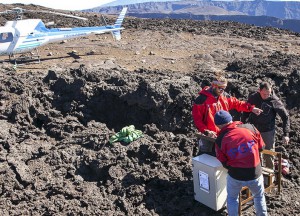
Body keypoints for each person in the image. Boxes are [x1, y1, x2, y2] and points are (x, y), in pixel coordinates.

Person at [192, 74, 262, 154]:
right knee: (205, 158)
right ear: (213, 85)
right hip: (208, 136)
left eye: (224, 88)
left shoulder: (224, 96)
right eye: (220, 88)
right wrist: (206, 131)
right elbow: (197, 120)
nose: (222, 90)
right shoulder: (201, 99)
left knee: (221, 159)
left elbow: (237, 103)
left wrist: (251, 108)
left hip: (223, 135)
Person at [214, 110, 267, 216]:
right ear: (231, 119)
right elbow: (262, 147)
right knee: (259, 196)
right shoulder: (251, 128)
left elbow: (223, 162)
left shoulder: (220, 140)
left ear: (218, 126)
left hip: (235, 175)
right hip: (254, 173)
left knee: (232, 198)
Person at [242, 81, 290, 169]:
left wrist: (286, 134)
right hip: (254, 130)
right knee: (255, 153)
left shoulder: (274, 100)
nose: (267, 96)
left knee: (269, 154)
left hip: (268, 131)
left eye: (269, 93)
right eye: (264, 94)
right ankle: (258, 173)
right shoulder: (253, 98)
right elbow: (245, 111)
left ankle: (270, 177)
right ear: (259, 91)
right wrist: (243, 125)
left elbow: (285, 116)